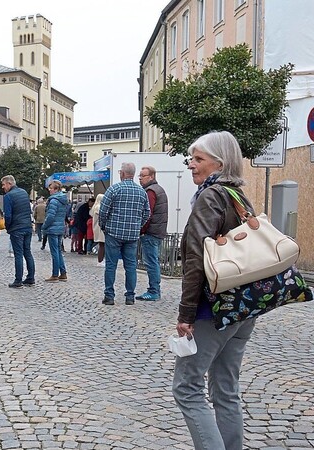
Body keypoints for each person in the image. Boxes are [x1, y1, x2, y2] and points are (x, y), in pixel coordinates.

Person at [173, 130, 256, 450]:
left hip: (215, 308)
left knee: (187, 387)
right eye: (191, 158)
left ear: (219, 163)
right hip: (245, 305)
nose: (191, 165)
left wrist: (186, 315)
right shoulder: (237, 196)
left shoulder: (210, 196)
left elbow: (196, 258)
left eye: (198, 159)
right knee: (225, 389)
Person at [98, 162, 150, 305]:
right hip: (132, 235)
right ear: (133, 174)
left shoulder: (114, 189)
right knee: (131, 266)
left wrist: (104, 226)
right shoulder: (141, 192)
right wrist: (138, 226)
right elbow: (147, 213)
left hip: (114, 233)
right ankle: (130, 296)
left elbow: (103, 211)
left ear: (122, 173)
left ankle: (109, 295)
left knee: (111, 265)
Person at [137, 165, 168, 301]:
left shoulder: (150, 191)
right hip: (158, 230)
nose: (140, 179)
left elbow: (147, 214)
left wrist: (142, 230)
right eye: (140, 176)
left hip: (151, 232)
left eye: (142, 176)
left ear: (151, 176)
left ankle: (154, 290)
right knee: (153, 261)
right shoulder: (159, 189)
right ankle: (155, 290)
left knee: (151, 262)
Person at [1, 175, 35, 288]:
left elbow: (8, 215)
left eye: (4, 184)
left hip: (17, 228)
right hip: (27, 226)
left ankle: (18, 280)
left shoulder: (8, 196)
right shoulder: (24, 192)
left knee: (18, 254)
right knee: (27, 252)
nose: (3, 187)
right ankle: (30, 277)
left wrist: (8, 227)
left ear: (9, 184)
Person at [40, 180, 68, 282]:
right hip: (60, 227)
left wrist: (44, 226)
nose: (49, 190)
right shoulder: (63, 200)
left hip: (52, 228)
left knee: (55, 252)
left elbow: (51, 216)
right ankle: (63, 273)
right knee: (58, 251)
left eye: (51, 188)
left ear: (56, 189)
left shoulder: (54, 201)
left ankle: (55, 274)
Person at [90, 194, 106, 267]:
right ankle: (100, 261)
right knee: (102, 245)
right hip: (100, 229)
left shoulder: (95, 207)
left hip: (98, 228)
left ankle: (101, 260)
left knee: (101, 245)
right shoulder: (99, 207)